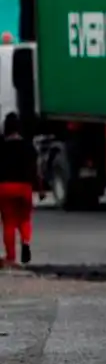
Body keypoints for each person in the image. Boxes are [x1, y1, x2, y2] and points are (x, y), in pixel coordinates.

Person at [0, 113, 39, 267]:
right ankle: (26, 243)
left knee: (8, 222)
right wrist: (40, 189)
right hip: (24, 187)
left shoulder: (1, 146)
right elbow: (36, 170)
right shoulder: (28, 146)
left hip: (4, 187)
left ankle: (11, 256)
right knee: (25, 219)